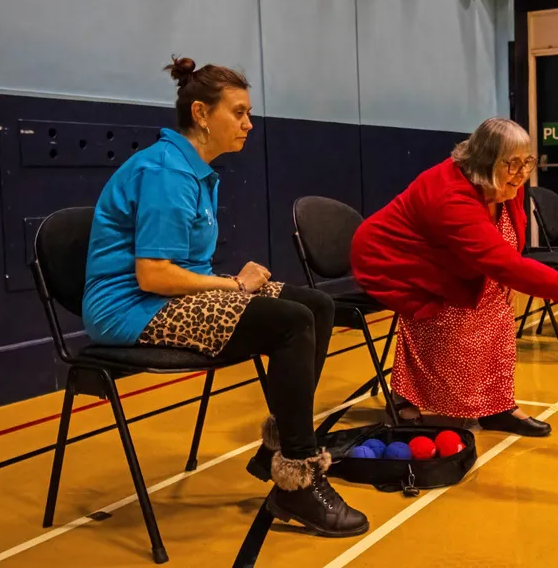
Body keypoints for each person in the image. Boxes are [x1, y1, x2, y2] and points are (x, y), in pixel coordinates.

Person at [82, 56, 368, 537]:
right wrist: (234, 286)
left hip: (169, 296)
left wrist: (228, 287)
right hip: (131, 309)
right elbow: (154, 276)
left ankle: (277, 448)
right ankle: (298, 477)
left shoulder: (195, 169)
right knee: (290, 322)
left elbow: (180, 270)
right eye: (238, 112)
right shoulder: (167, 172)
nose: (248, 124)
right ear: (200, 114)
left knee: (318, 306)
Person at [350, 117, 558, 437]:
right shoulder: (448, 196)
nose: (523, 172)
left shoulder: (503, 179)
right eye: (514, 164)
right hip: (397, 260)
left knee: (496, 306)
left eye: (528, 161)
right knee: (447, 314)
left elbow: (508, 248)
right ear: (485, 163)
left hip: (449, 257)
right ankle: (405, 397)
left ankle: (497, 406)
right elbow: (502, 262)